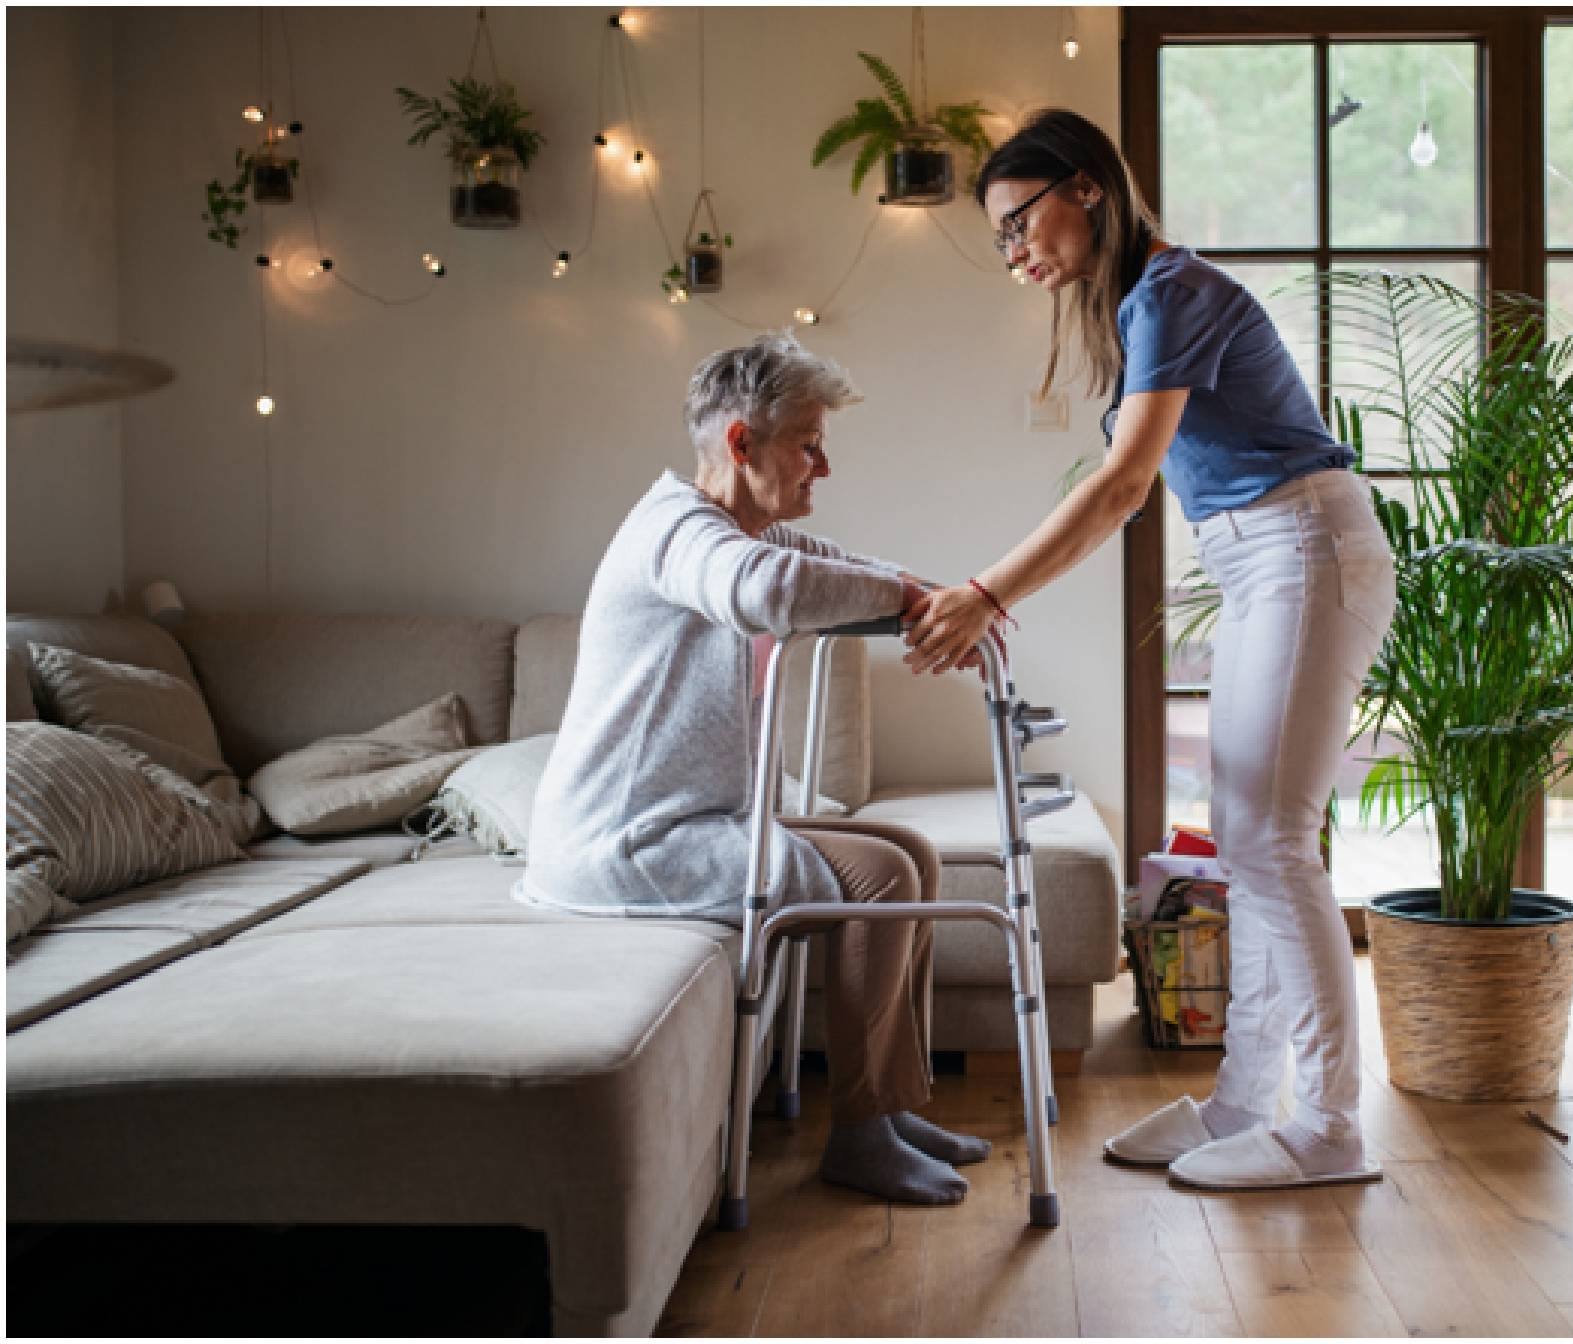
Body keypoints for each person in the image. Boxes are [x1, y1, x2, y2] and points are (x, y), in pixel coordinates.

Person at [903, 110, 1396, 1191]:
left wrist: (987, 591)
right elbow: (1130, 493)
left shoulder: (1170, 291)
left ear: (1084, 187)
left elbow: (1124, 485)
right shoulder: (1140, 304)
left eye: (1019, 221)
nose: (1015, 252)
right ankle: (1237, 1106)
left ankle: (1327, 1128)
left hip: (1305, 547)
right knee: (1249, 839)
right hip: (1269, 557)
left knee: (1273, 842)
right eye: (998, 241)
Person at [520, 331, 989, 1206]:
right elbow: (764, 590)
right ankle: (856, 1138)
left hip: (693, 823)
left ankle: (884, 1110)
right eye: (807, 443)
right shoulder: (678, 533)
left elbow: (828, 565)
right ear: (742, 444)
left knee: (910, 856)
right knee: (883, 878)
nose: (823, 465)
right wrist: (910, 601)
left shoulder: (729, 528)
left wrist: (929, 596)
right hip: (629, 843)